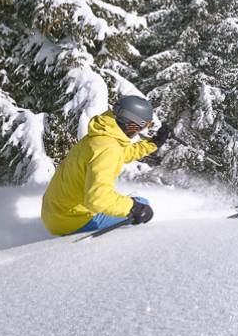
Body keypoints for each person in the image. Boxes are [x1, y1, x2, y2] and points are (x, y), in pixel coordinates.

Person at [41, 95, 171, 236]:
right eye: (144, 125)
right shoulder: (109, 149)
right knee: (142, 206)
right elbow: (97, 199)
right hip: (72, 221)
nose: (142, 130)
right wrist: (134, 208)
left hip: (54, 212)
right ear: (132, 123)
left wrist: (154, 143)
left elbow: (122, 154)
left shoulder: (101, 136)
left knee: (131, 203)